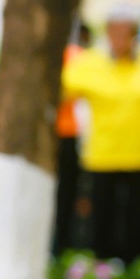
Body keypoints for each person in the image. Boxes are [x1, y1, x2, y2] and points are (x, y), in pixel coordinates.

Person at [62, 6, 140, 264]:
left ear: (135, 34)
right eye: (115, 32)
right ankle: (101, 277)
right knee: (102, 225)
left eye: (126, 32)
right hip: (103, 156)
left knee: (137, 225)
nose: (120, 39)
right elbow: (59, 92)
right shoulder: (89, 63)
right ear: (107, 33)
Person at [52, 21, 93, 256]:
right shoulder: (83, 58)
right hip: (73, 137)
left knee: (63, 200)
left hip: (66, 136)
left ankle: (60, 250)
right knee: (71, 200)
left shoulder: (74, 57)